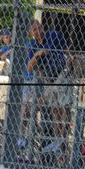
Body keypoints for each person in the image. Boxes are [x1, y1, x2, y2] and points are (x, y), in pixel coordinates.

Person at [26, 19, 71, 150]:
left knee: (65, 107)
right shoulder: (33, 45)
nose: (39, 31)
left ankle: (63, 139)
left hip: (61, 75)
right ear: (31, 33)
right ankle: (57, 140)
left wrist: (67, 68)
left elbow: (67, 51)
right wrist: (37, 55)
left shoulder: (54, 35)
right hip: (48, 78)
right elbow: (29, 67)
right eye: (35, 29)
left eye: (39, 27)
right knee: (54, 109)